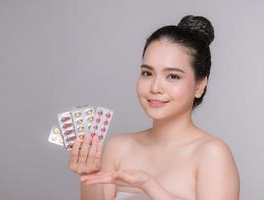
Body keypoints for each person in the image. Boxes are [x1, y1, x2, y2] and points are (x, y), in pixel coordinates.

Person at [69, 15, 240, 200]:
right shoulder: (117, 148)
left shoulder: (212, 154)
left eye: (173, 76)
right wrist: (90, 177)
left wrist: (149, 185)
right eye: (147, 73)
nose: (155, 87)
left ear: (200, 86)